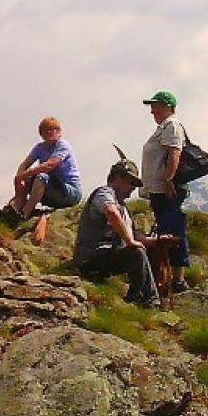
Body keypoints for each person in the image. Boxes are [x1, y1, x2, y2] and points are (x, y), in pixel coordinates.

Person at [72, 155, 160, 308]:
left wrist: (157, 242)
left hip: (106, 257)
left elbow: (134, 234)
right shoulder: (104, 193)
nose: (133, 187)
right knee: (136, 253)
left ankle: (141, 296)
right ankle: (146, 300)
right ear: (117, 178)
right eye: (131, 182)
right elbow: (111, 212)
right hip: (91, 257)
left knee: (145, 251)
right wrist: (130, 242)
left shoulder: (123, 207)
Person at [141, 90, 190, 269]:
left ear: (166, 106)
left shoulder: (172, 126)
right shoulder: (164, 127)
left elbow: (174, 152)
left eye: (155, 107)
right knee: (166, 229)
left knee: (171, 230)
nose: (152, 111)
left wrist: (168, 179)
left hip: (166, 189)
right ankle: (167, 271)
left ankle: (176, 274)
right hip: (159, 189)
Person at [4, 117, 83, 222]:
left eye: (54, 129)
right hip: (52, 188)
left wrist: (23, 175)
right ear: (41, 134)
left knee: (41, 176)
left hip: (69, 191)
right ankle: (13, 209)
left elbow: (49, 165)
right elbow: (25, 164)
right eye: (47, 130)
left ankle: (24, 214)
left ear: (59, 131)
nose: (51, 132)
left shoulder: (63, 145)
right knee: (27, 180)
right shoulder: (39, 148)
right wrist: (19, 179)